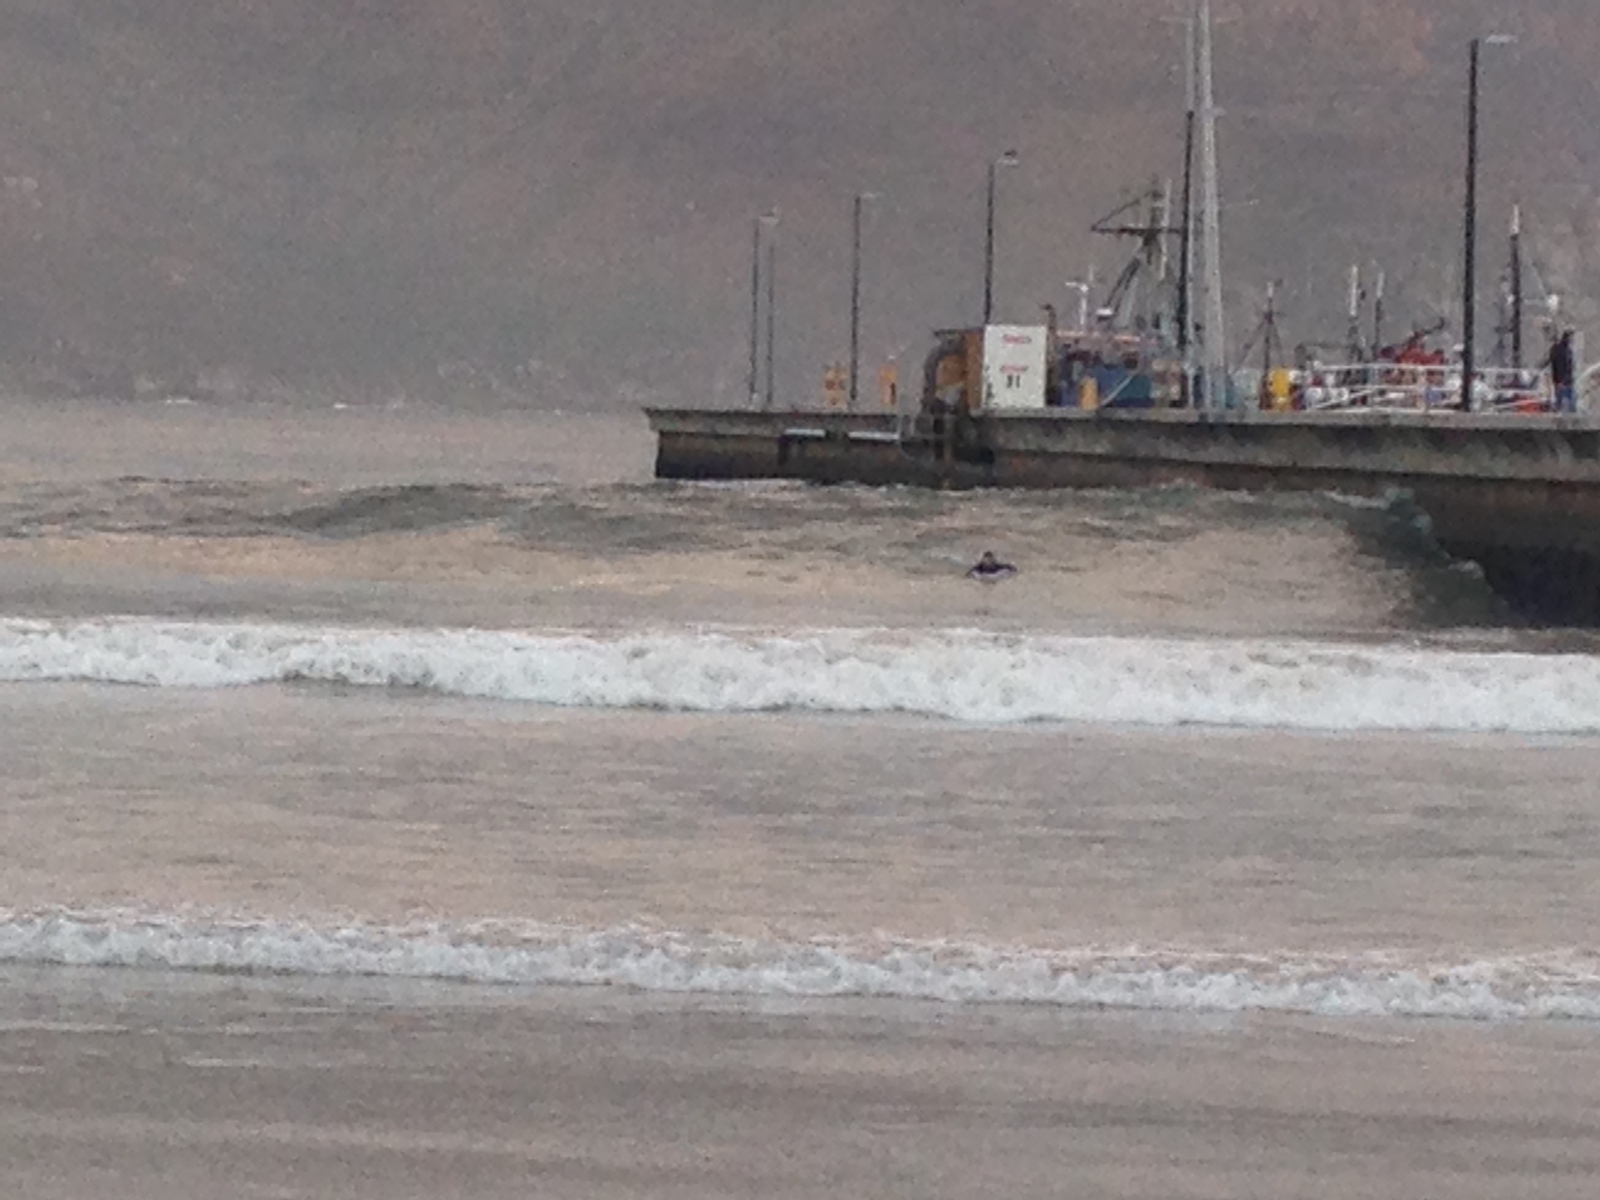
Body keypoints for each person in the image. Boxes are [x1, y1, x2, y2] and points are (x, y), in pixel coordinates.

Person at [1549, 329, 1576, 414]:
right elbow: (1559, 365)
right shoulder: (1561, 350)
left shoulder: (1567, 349)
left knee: (1569, 400)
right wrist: (1560, 381)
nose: (1572, 339)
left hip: (1566, 380)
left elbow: (1568, 366)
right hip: (1562, 381)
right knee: (1565, 401)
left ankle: (1564, 412)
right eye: (1571, 337)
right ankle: (1562, 413)